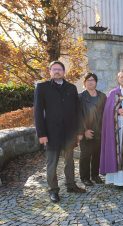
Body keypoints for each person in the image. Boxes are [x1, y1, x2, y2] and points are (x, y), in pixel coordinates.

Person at [34, 61, 86, 203]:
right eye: (54, 69)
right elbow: (38, 112)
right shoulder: (42, 87)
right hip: (51, 134)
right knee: (52, 164)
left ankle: (71, 185)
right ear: (50, 71)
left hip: (70, 133)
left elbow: (77, 111)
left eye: (59, 69)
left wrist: (79, 131)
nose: (57, 72)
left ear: (64, 72)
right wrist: (42, 134)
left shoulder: (71, 88)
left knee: (70, 162)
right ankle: (53, 190)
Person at [78, 72, 106, 186]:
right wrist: (84, 131)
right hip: (86, 131)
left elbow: (106, 113)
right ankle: (84, 177)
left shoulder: (102, 96)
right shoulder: (80, 97)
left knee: (97, 154)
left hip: (100, 130)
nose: (91, 82)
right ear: (84, 82)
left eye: (93, 80)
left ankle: (95, 175)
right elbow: (77, 115)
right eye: (88, 80)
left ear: (96, 82)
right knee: (85, 155)